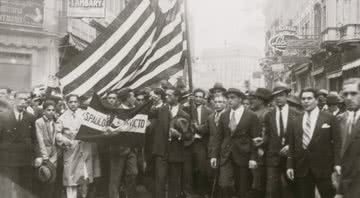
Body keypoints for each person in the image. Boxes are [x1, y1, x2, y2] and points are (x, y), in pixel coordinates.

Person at [286, 88, 341, 198]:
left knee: (328, 195)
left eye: (309, 98)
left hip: (324, 168)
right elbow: (292, 146)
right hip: (302, 168)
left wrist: (337, 164)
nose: (306, 101)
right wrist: (290, 166)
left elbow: (337, 143)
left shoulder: (329, 118)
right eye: (303, 99)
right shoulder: (295, 121)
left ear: (316, 100)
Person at [210, 88, 261, 198]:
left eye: (232, 98)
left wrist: (253, 158)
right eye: (228, 98)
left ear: (240, 99)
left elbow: (255, 139)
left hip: (243, 155)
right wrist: (214, 155)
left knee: (242, 188)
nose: (229, 100)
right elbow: (218, 137)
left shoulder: (251, 116)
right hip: (226, 155)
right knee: (224, 184)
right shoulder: (224, 115)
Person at [56, 94, 101, 198]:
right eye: (70, 102)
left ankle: (84, 196)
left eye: (75, 102)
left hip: (85, 150)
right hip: (71, 151)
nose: (73, 104)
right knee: (71, 180)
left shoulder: (85, 115)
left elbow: (94, 127)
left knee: (85, 178)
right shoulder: (62, 118)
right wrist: (67, 141)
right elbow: (57, 134)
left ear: (79, 103)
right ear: (67, 103)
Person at [151, 87, 191, 198]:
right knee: (160, 181)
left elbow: (189, 135)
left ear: (177, 97)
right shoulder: (160, 110)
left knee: (174, 183)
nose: (166, 97)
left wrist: (179, 135)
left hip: (176, 152)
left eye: (169, 95)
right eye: (166, 95)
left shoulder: (185, 114)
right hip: (161, 151)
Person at [263, 83, 299, 198]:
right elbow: (268, 135)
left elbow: (300, 136)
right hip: (273, 157)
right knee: (272, 190)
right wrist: (262, 141)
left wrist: (290, 147)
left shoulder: (297, 114)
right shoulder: (269, 115)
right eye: (276, 96)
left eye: (281, 95)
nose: (278, 98)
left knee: (291, 188)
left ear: (287, 96)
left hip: (291, 157)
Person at [0, 91, 38, 198]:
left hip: (25, 160)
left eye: (26, 99)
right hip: (7, 160)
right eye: (20, 99)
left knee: (25, 188)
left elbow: (35, 139)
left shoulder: (30, 117)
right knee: (6, 190)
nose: (23, 102)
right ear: (13, 99)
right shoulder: (3, 117)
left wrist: (37, 156)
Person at [107, 88, 138, 198]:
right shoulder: (115, 111)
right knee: (115, 179)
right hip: (117, 149)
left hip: (132, 149)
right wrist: (119, 129)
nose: (135, 98)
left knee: (133, 173)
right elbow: (109, 131)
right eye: (133, 96)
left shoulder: (136, 110)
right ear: (127, 98)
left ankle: (127, 194)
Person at [184, 88, 213, 197]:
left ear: (203, 98)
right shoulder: (186, 109)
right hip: (188, 143)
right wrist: (192, 135)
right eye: (196, 96)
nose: (198, 99)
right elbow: (183, 125)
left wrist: (199, 130)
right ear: (193, 97)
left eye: (200, 97)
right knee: (187, 169)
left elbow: (209, 128)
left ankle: (202, 191)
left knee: (201, 169)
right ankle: (188, 192)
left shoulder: (209, 111)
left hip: (201, 143)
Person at [335, 78, 360, 198]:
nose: (349, 97)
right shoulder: (339, 120)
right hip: (344, 183)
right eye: (345, 94)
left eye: (354, 93)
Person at [248, 88, 272, 198]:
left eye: (256, 98)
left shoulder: (266, 113)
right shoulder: (255, 112)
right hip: (252, 151)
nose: (252, 100)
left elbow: (264, 133)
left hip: (260, 152)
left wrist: (260, 146)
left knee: (258, 182)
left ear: (262, 101)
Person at [34, 100, 59, 198]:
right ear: (44, 111)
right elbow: (40, 140)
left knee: (52, 179)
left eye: (53, 110)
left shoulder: (55, 121)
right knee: (44, 177)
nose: (51, 112)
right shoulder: (39, 122)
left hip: (54, 154)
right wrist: (44, 157)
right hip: (44, 154)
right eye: (48, 110)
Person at [208, 94, 228, 198]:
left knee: (224, 179)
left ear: (226, 103)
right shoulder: (211, 117)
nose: (217, 104)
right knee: (213, 176)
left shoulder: (229, 116)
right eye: (215, 102)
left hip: (225, 151)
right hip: (213, 151)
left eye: (220, 102)